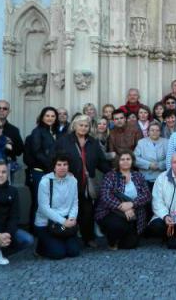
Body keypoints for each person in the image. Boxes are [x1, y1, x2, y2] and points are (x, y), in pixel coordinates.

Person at [54, 114, 112, 247]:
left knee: (87, 213)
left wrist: (113, 173)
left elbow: (101, 162)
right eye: (81, 125)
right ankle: (65, 236)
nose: (84, 128)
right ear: (74, 126)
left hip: (85, 185)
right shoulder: (64, 141)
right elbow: (55, 160)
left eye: (86, 126)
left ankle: (88, 238)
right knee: (67, 213)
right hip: (67, 184)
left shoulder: (93, 142)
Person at [95, 151, 152, 250]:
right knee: (118, 226)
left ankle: (122, 238)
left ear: (132, 161)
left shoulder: (138, 176)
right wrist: (122, 207)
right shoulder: (111, 175)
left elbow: (147, 195)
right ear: (118, 161)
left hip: (135, 212)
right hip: (112, 211)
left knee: (130, 244)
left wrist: (132, 204)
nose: (125, 161)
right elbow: (105, 196)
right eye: (122, 159)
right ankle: (112, 242)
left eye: (128, 159)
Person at [34, 154, 80, 259]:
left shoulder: (73, 181)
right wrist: (63, 221)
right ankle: (41, 247)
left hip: (65, 224)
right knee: (58, 254)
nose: (62, 167)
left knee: (74, 252)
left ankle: (59, 241)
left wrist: (72, 218)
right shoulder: (45, 182)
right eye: (59, 164)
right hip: (47, 224)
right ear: (54, 167)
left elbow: (75, 202)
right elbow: (44, 208)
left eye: (65, 164)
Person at [24, 106, 59, 227]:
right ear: (42, 117)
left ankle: (46, 228)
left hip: (51, 172)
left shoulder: (54, 132)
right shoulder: (38, 131)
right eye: (47, 116)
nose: (50, 118)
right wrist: (52, 166)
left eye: (53, 116)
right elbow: (37, 152)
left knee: (50, 202)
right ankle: (35, 231)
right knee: (39, 203)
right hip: (40, 172)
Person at [134, 121, 168, 187]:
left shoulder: (166, 142)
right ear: (148, 132)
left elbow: (170, 158)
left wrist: (159, 165)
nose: (154, 132)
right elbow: (135, 159)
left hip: (162, 177)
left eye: (157, 130)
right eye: (152, 130)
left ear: (160, 132)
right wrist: (149, 165)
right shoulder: (141, 142)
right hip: (145, 177)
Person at [0, 100, 24, 171]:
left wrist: (10, 145)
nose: (1, 110)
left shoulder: (14, 130)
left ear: (9, 111)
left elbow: (19, 151)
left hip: (6, 168)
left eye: (5, 108)